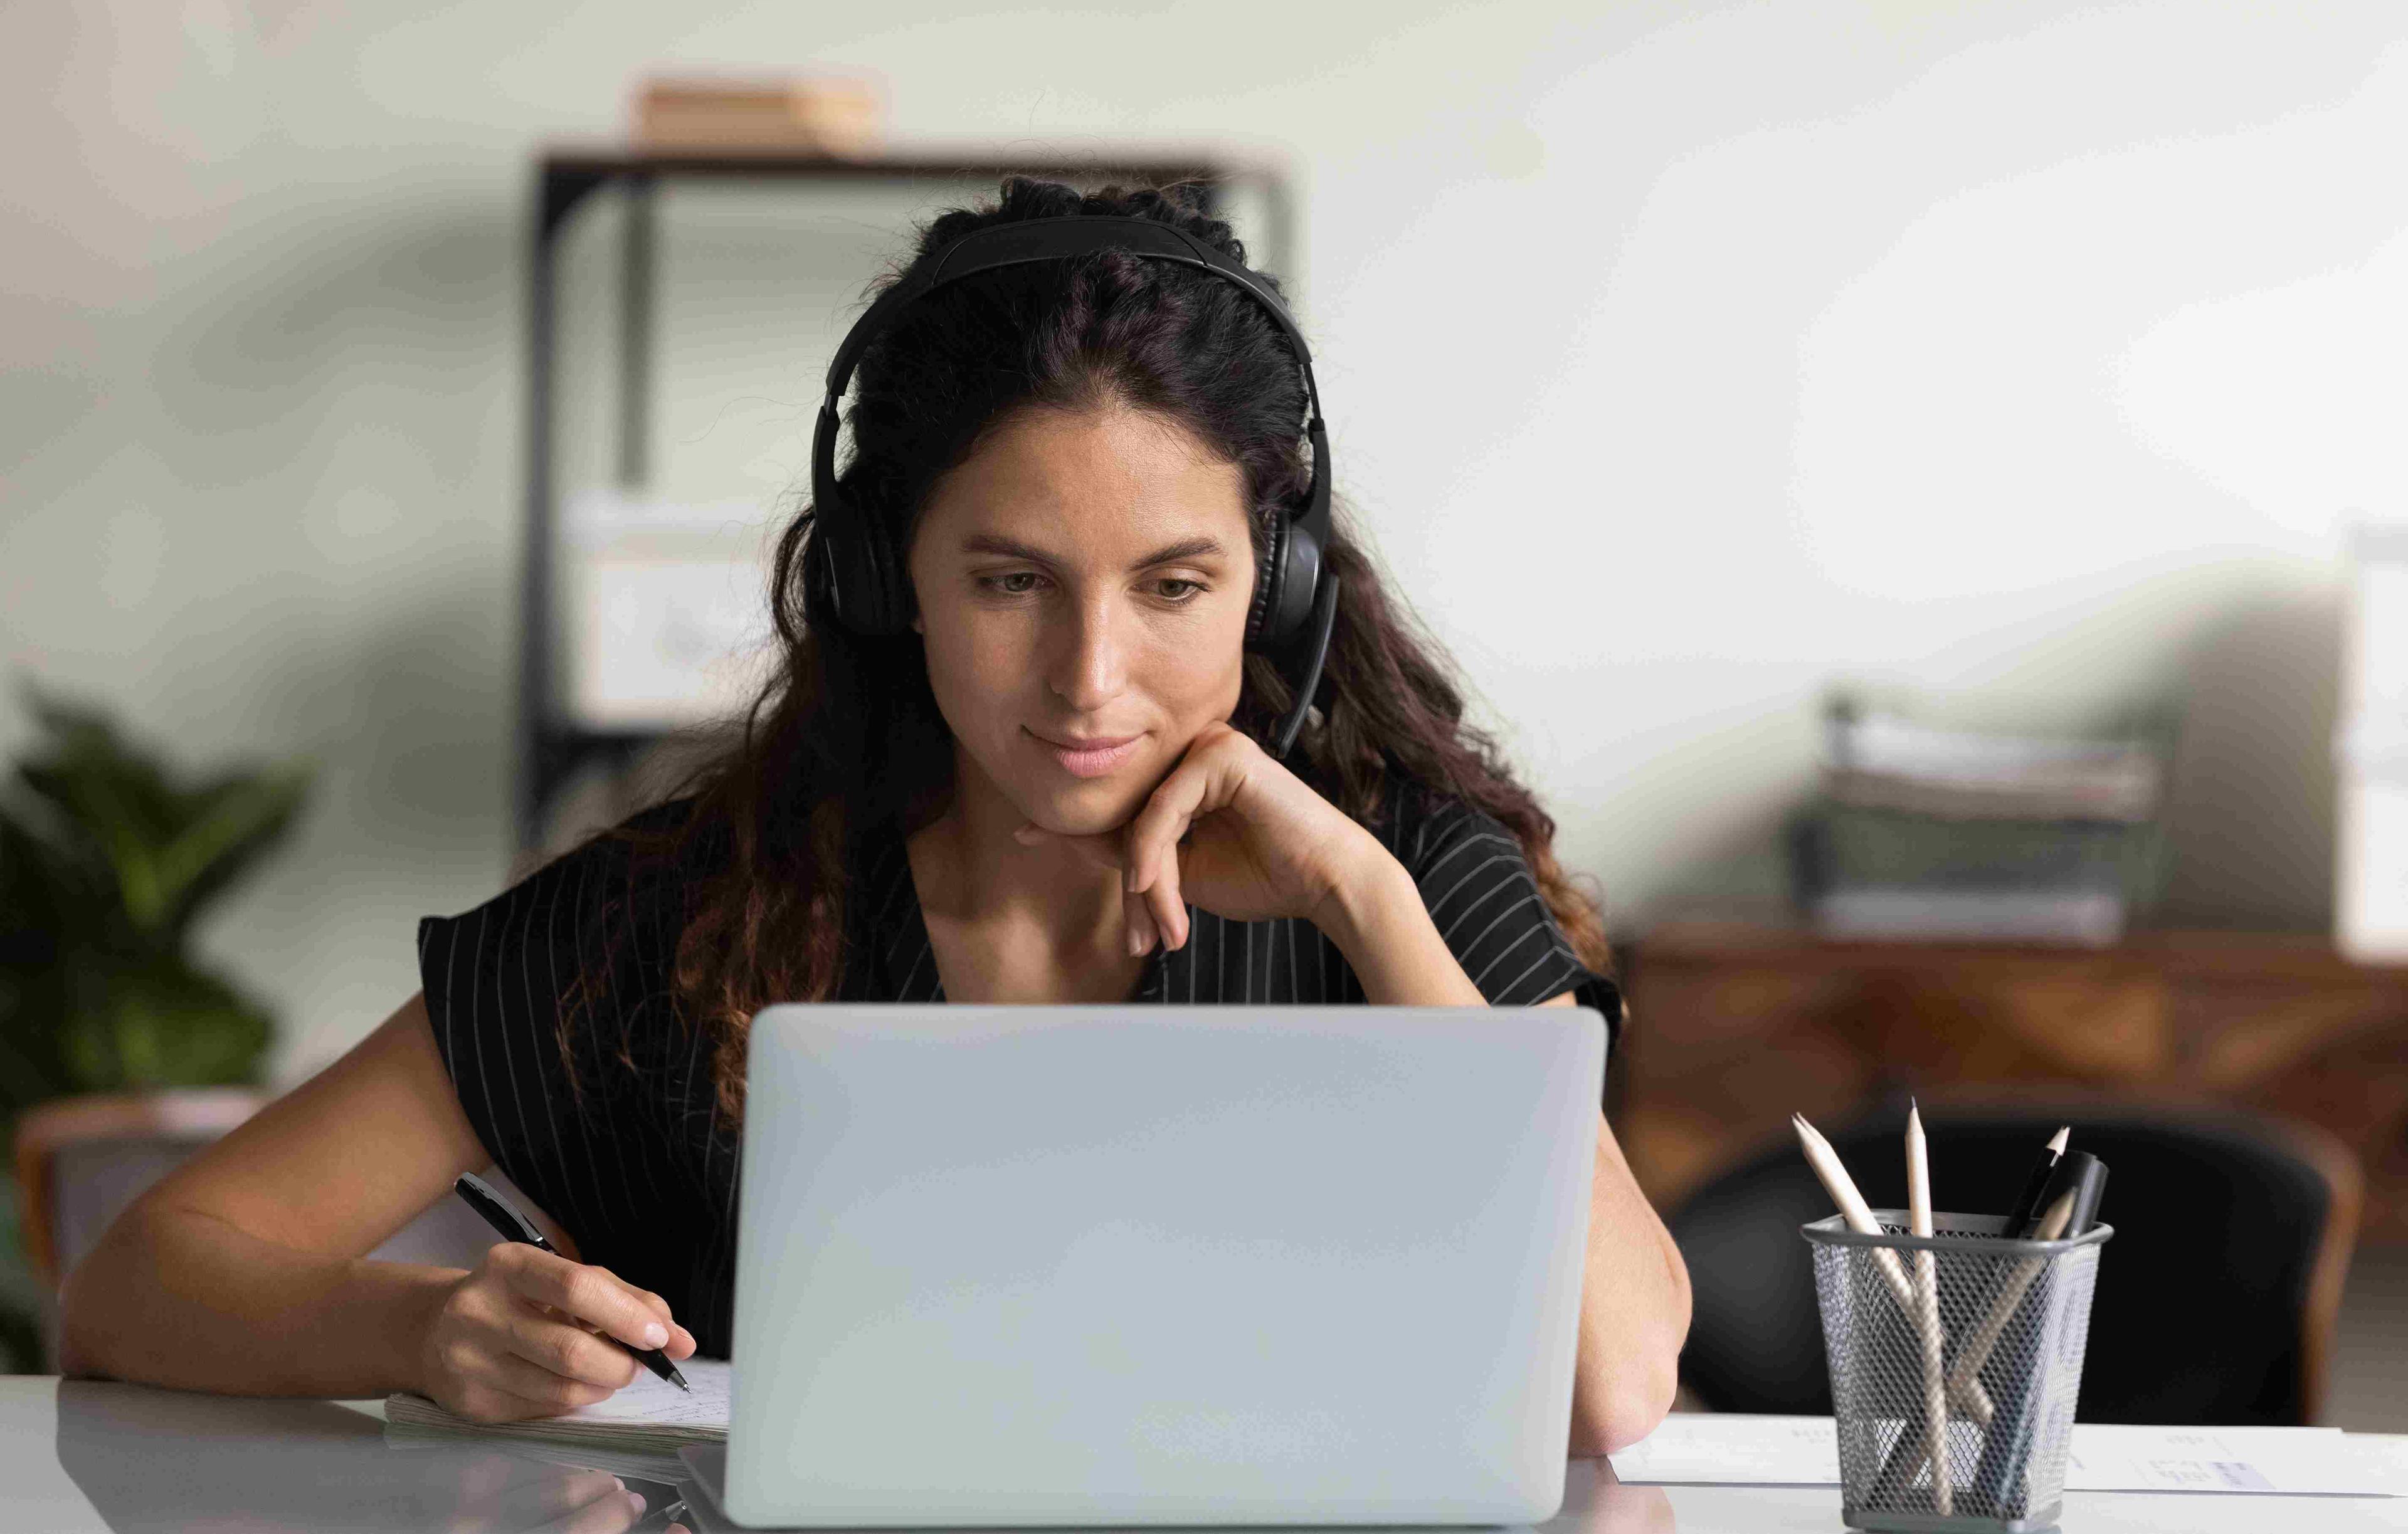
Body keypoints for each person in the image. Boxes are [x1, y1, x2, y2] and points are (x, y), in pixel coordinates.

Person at [60, 176, 1691, 1460]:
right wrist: (413, 1331)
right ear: (880, 574)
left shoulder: (1399, 875)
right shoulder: (692, 910)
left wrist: (1361, 900)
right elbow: (144, 1278)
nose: (1090, 678)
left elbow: (1614, 1385)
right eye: (1008, 583)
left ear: (1279, 587)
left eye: (1176, 586)